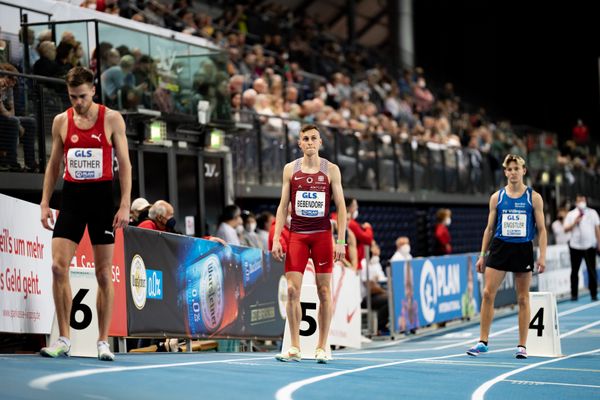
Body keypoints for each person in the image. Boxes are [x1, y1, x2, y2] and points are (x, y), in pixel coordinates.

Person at [39, 66, 132, 361]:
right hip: (73, 199)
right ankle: (64, 338)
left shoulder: (112, 119)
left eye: (82, 96)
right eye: (72, 97)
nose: (77, 102)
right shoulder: (61, 122)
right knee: (57, 267)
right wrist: (44, 202)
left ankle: (103, 341)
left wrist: (126, 203)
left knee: (103, 273)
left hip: (102, 200)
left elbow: (126, 164)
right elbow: (54, 165)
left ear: (93, 90)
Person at [272, 124, 347, 364]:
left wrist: (341, 241)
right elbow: (283, 206)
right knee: (293, 290)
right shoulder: (290, 169)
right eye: (306, 138)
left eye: (314, 138)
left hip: (323, 235)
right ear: (300, 143)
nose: (310, 142)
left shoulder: (331, 170)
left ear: (320, 142)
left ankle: (322, 346)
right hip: (298, 236)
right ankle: (294, 346)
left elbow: (342, 208)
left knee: (324, 291)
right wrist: (276, 238)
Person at [467, 154, 546, 359]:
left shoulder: (533, 197)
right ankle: (483, 341)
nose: (512, 172)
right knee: (487, 293)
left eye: (516, 169)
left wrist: (542, 256)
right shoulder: (497, 197)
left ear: (523, 171)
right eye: (509, 169)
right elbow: (489, 228)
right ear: (505, 172)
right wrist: (482, 255)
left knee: (522, 298)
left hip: (523, 248)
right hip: (500, 247)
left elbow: (543, 230)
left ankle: (522, 345)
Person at [0, 63, 37, 172]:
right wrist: (19, 125)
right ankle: (11, 162)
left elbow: (12, 110)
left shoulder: (9, 89)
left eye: (16, 80)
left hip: (5, 118)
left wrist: (18, 122)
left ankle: (30, 163)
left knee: (30, 122)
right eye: (11, 79)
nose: (14, 83)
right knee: (14, 121)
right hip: (1, 117)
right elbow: (1, 109)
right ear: (4, 76)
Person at [563, 195, 599, 301]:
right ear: (576, 202)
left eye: (583, 200)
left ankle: (593, 293)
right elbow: (565, 229)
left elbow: (597, 228)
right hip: (575, 246)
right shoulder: (571, 214)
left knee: (591, 270)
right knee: (574, 271)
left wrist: (599, 243)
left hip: (589, 246)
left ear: (586, 200)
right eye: (579, 200)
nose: (581, 202)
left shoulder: (592, 213)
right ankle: (574, 294)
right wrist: (575, 222)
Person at [360, 241, 389, 335]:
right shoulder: (364, 264)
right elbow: (370, 287)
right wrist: (384, 291)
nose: (377, 249)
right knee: (389, 299)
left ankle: (385, 325)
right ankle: (379, 327)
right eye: (374, 247)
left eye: (377, 246)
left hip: (375, 295)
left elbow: (381, 281)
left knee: (391, 297)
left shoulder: (376, 263)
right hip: (364, 298)